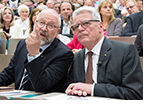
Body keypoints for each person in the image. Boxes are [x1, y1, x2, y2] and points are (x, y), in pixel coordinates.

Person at [65, 6, 143, 99]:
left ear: (100, 26)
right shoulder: (77, 57)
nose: (80, 29)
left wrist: (92, 89)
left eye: (85, 23)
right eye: (76, 26)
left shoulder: (125, 51)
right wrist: (73, 89)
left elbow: (135, 93)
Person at [0, 8, 73, 93]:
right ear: (35, 23)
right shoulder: (23, 44)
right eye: (41, 23)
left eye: (51, 26)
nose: (44, 28)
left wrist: (34, 54)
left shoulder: (64, 54)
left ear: (58, 31)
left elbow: (42, 85)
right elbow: (9, 74)